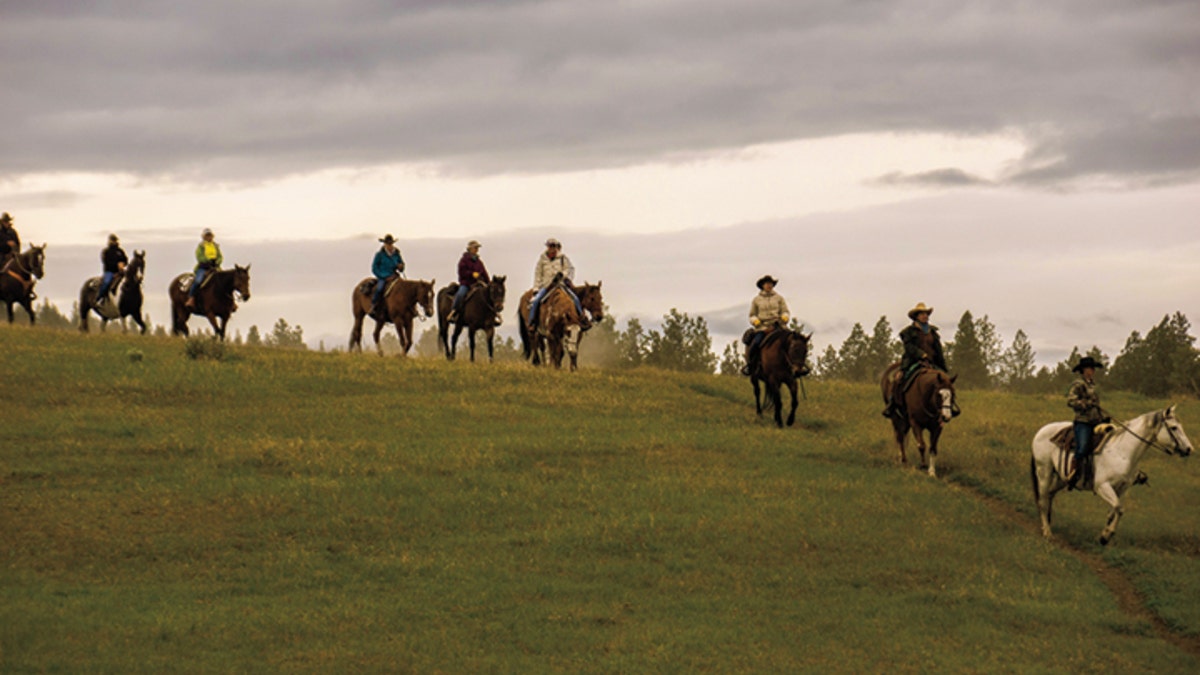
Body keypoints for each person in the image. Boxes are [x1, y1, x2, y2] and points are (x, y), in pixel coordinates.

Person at [883, 302, 948, 417]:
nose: (925, 316)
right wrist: (921, 354)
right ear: (916, 316)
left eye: (926, 314)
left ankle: (949, 406)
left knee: (945, 383)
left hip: (931, 363)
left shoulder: (933, 332)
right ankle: (892, 404)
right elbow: (909, 347)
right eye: (922, 314)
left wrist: (943, 368)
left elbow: (938, 351)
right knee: (899, 379)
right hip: (913, 361)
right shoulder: (908, 332)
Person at [527, 238, 587, 332]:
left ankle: (582, 319)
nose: (552, 248)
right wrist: (536, 288)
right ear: (547, 247)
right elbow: (538, 274)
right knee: (536, 301)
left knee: (575, 299)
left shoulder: (562, 258)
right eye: (550, 246)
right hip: (547, 286)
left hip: (560, 285)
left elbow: (567, 269)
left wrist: (562, 275)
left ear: (556, 247)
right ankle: (532, 322)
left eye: (554, 246)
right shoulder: (542, 260)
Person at [1067, 356, 1106, 490]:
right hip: (1083, 421)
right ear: (1083, 370)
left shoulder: (1093, 385)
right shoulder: (1078, 384)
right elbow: (1070, 401)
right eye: (1090, 368)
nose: (1092, 371)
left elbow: (1096, 403)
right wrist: (1086, 404)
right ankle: (1073, 472)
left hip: (1096, 420)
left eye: (1093, 368)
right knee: (1082, 447)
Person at [740, 275, 791, 376]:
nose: (769, 285)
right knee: (755, 344)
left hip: (778, 326)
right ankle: (750, 366)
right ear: (762, 286)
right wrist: (756, 321)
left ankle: (796, 366)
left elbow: (785, 311)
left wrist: (785, 317)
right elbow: (752, 315)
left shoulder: (779, 298)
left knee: (793, 341)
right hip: (762, 328)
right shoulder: (756, 300)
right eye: (767, 284)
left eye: (771, 284)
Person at [447, 240, 491, 323]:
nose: (477, 250)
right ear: (470, 249)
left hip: (478, 284)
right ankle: (454, 312)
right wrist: (471, 274)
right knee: (460, 294)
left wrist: (489, 283)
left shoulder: (479, 262)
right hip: (466, 284)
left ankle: (493, 315)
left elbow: (484, 273)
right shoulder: (463, 260)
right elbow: (461, 272)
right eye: (475, 248)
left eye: (477, 248)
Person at [186, 228, 223, 309]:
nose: (209, 237)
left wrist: (217, 262)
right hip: (204, 267)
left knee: (224, 281)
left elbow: (220, 256)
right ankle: (191, 298)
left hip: (215, 267)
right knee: (198, 281)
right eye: (207, 236)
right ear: (204, 237)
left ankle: (229, 302)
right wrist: (207, 261)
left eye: (210, 235)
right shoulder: (201, 246)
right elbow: (199, 256)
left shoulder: (216, 246)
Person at [370, 234, 405, 318]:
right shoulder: (379, 255)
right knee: (379, 289)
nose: (389, 245)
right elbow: (374, 268)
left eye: (390, 244)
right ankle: (374, 306)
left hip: (394, 276)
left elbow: (401, 264)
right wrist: (384, 276)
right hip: (383, 277)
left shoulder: (396, 254)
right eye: (387, 244)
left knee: (404, 288)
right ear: (384, 244)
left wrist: (401, 266)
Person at [96, 234, 128, 306]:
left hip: (120, 271)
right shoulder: (106, 251)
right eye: (112, 240)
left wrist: (123, 264)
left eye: (115, 240)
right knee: (106, 282)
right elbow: (106, 261)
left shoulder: (120, 251)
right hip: (109, 271)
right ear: (109, 241)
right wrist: (116, 265)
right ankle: (99, 298)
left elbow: (125, 260)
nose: (114, 242)